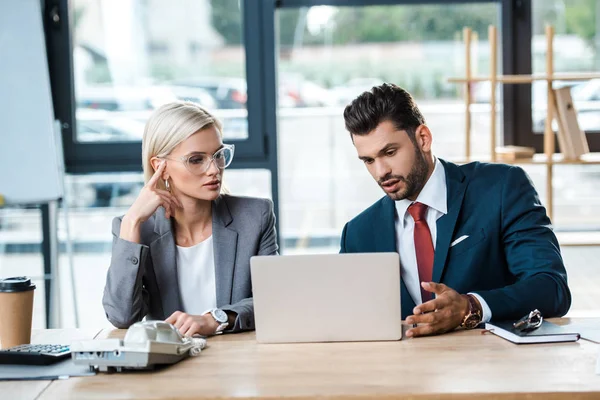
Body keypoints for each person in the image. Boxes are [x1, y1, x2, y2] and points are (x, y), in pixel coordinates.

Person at [340, 83, 571, 338]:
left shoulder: (501, 188)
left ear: (423, 139)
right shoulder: (357, 234)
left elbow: (552, 288)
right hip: (401, 372)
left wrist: (470, 307)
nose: (380, 171)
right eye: (369, 160)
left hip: (493, 369)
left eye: (390, 152)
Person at [103, 101, 278, 336]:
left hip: (238, 359)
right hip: (169, 366)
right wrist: (132, 221)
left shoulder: (255, 216)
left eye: (218, 155)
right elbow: (122, 316)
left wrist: (216, 319)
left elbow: (273, 299)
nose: (214, 169)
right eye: (196, 159)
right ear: (160, 167)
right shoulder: (135, 228)